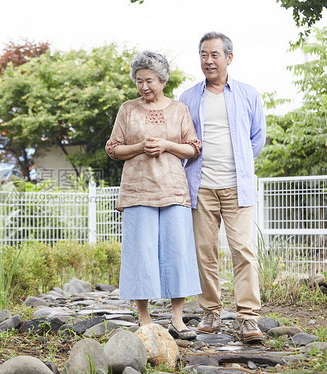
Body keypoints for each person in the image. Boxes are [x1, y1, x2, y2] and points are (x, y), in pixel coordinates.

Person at [105, 50, 201, 340]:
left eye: (149, 80)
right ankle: (144, 319)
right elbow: (113, 149)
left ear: (162, 80)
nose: (144, 87)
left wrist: (166, 145)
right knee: (140, 254)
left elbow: (193, 148)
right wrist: (139, 147)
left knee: (177, 252)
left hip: (173, 189)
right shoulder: (128, 109)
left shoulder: (179, 110)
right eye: (139, 81)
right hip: (137, 191)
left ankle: (177, 319)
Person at [179, 32, 267, 343]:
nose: (208, 60)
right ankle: (211, 310)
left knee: (243, 251)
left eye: (215, 54)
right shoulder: (188, 97)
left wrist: (241, 164)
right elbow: (180, 139)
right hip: (200, 185)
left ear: (229, 57)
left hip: (236, 186)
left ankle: (247, 317)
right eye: (203, 54)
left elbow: (258, 137)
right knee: (205, 251)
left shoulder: (246, 94)